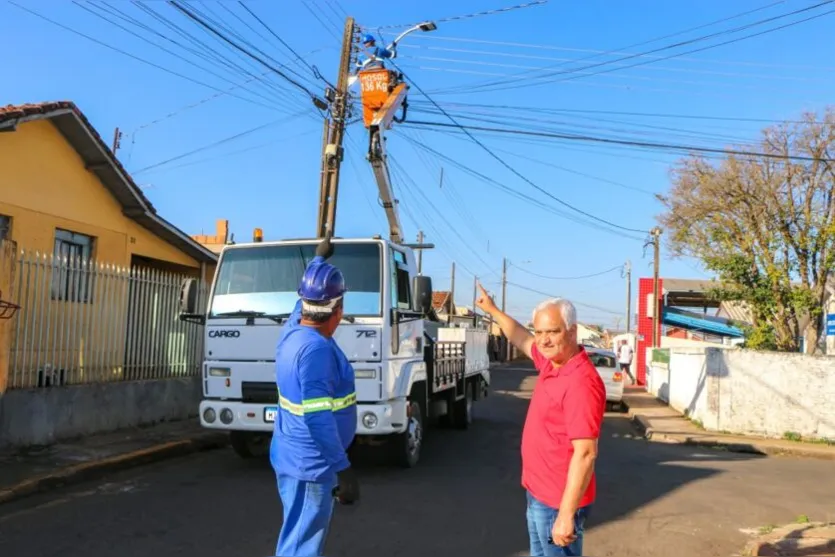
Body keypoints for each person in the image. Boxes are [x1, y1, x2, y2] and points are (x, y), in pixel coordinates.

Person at [475, 284, 606, 557]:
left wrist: (566, 515)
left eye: (553, 332)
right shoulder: (553, 362)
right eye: (540, 331)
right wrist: (492, 309)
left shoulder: (580, 382)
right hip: (539, 493)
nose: (543, 340)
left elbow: (586, 453)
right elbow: (521, 337)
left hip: (557, 503)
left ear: (572, 331)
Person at [270, 236, 359, 557]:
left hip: (292, 454)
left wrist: (318, 260)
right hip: (311, 464)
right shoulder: (316, 352)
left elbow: (305, 300)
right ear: (339, 309)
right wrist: (343, 467)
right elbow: (318, 417)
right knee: (302, 544)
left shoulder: (294, 329)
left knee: (296, 531)